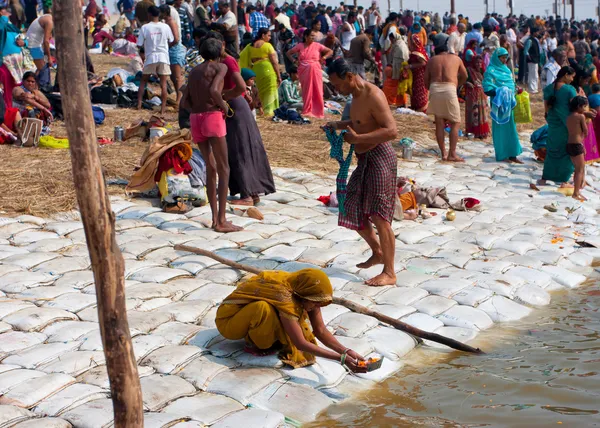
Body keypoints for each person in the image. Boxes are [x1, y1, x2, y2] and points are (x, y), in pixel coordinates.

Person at [325, 58, 398, 286]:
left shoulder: (373, 95)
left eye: (338, 84)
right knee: (351, 207)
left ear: (349, 76)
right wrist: (338, 126)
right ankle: (377, 251)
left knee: (380, 216)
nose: (337, 89)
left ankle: (390, 272)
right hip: (364, 158)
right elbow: (360, 121)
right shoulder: (354, 97)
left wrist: (358, 139)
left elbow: (392, 131)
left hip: (380, 157)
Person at [216, 268, 367, 372]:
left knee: (278, 316)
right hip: (230, 322)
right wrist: (341, 358)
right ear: (301, 296)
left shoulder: (305, 290)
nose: (316, 307)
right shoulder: (284, 297)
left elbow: (320, 330)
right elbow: (300, 343)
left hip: (251, 317)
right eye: (314, 302)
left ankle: (266, 332)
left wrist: (346, 351)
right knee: (262, 308)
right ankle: (256, 343)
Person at [209, 32, 275, 206]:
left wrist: (223, 96)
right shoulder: (219, 62)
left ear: (222, 44)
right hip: (234, 107)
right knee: (241, 147)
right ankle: (251, 193)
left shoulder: (228, 62)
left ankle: (247, 195)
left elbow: (239, 86)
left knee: (240, 148)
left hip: (236, 108)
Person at [183, 38, 240, 233]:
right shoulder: (220, 67)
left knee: (211, 168)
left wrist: (197, 112)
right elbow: (215, 91)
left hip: (195, 119)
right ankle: (222, 221)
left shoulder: (193, 71)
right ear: (219, 52)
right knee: (224, 168)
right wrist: (223, 106)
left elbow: (184, 101)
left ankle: (215, 218)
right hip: (213, 118)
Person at [425, 34, 468, 162]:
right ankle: (452, 154)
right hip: (450, 88)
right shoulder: (455, 58)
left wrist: (432, 88)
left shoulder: (432, 60)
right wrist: (456, 84)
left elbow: (425, 81)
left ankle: (443, 153)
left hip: (434, 88)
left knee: (439, 122)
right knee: (455, 122)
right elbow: (465, 76)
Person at [540, 66, 586, 186]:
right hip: (567, 126)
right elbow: (576, 108)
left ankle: (546, 176)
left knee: (552, 150)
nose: (572, 79)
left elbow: (546, 109)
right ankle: (564, 179)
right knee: (566, 152)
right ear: (566, 75)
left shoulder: (548, 88)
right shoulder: (569, 90)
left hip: (553, 125)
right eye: (571, 76)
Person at [483, 48, 523, 164]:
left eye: (506, 57)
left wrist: (515, 90)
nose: (504, 60)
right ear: (497, 57)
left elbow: (512, 84)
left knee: (511, 128)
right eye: (502, 57)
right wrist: (501, 91)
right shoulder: (490, 70)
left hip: (509, 103)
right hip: (498, 104)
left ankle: (513, 154)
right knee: (500, 129)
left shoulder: (507, 70)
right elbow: (487, 89)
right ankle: (502, 154)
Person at [286, 29, 332, 118]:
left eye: (314, 36)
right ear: (305, 37)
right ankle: (307, 110)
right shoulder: (300, 46)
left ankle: (318, 110)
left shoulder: (318, 46)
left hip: (316, 70)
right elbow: (288, 53)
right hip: (304, 70)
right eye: (311, 36)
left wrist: (324, 57)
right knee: (307, 90)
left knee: (318, 89)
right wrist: (294, 61)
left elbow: (330, 51)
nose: (313, 38)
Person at [136, 5, 174, 116]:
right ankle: (162, 110)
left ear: (149, 14)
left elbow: (139, 44)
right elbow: (171, 40)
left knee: (143, 81)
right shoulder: (165, 27)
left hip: (151, 57)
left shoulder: (145, 27)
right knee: (163, 84)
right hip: (163, 57)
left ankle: (138, 104)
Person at [239, 28, 281, 116]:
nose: (270, 38)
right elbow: (274, 62)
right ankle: (269, 111)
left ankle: (260, 110)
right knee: (270, 90)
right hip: (267, 70)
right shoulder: (268, 45)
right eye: (268, 35)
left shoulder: (250, 46)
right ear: (263, 35)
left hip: (256, 70)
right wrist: (279, 76)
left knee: (260, 90)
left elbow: (242, 56)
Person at [566, 96, 589, 201]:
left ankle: (576, 191)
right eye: (584, 106)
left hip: (569, 144)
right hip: (577, 145)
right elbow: (585, 131)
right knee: (580, 169)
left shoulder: (569, 116)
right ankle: (576, 193)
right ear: (579, 106)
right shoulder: (581, 117)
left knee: (577, 169)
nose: (585, 109)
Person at [465, 55, 490, 139]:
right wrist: (467, 83)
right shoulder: (469, 70)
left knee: (482, 114)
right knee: (474, 113)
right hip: (473, 96)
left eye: (480, 62)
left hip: (482, 95)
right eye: (477, 62)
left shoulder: (483, 71)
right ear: (473, 63)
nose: (479, 64)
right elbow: (463, 80)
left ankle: (481, 132)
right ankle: (474, 132)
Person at [407, 33, 429, 112]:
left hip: (420, 74)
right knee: (414, 90)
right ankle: (415, 106)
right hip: (415, 74)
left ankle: (421, 107)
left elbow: (423, 63)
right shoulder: (416, 50)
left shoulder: (418, 52)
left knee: (419, 90)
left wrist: (410, 66)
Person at [523, 27, 543, 94]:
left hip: (535, 59)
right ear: (533, 32)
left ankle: (535, 88)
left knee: (535, 74)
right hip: (532, 60)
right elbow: (526, 51)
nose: (537, 33)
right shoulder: (530, 40)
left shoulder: (535, 40)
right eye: (537, 32)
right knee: (532, 74)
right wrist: (529, 57)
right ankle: (532, 89)